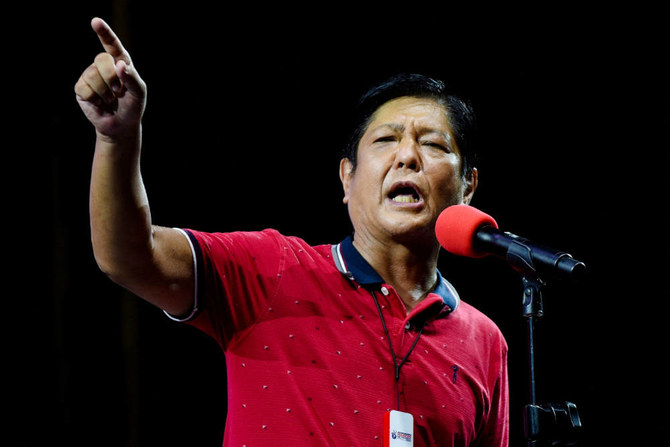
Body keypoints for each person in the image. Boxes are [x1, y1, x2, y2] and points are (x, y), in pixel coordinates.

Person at [75, 17, 509, 447]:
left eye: (432, 144)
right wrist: (117, 139)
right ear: (347, 178)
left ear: (468, 185)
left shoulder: (486, 342)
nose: (408, 156)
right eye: (385, 140)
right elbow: (129, 256)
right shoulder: (271, 267)